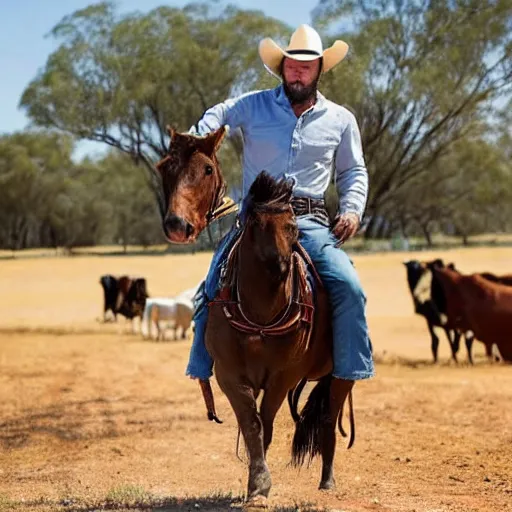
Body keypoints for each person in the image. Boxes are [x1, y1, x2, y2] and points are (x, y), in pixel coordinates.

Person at [186, 24, 374, 391]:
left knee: (349, 286)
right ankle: (201, 362)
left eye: (307, 66)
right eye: (292, 64)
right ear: (281, 67)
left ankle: (346, 372)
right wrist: (199, 138)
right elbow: (220, 113)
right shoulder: (253, 105)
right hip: (254, 221)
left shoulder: (341, 119)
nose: (298, 71)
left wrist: (351, 210)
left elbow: (353, 170)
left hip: (311, 222)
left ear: (320, 69)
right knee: (211, 282)